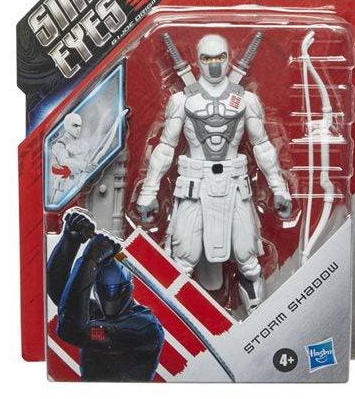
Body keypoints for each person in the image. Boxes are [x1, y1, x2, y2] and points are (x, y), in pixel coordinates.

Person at [136, 34, 292, 314]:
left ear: (228, 59)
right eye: (207, 59)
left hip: (235, 186)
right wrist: (148, 191)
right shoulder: (181, 100)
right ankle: (178, 322)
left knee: (248, 260)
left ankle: (256, 319)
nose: (214, 65)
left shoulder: (246, 100)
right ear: (197, 62)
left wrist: (279, 188)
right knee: (183, 260)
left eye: (220, 58)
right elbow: (165, 147)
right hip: (194, 186)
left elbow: (262, 146)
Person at [47, 208, 164, 381]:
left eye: (115, 291)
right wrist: (70, 241)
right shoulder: (96, 313)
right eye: (104, 291)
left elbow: (71, 330)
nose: (110, 300)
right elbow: (58, 291)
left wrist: (90, 260)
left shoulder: (143, 327)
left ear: (128, 288)